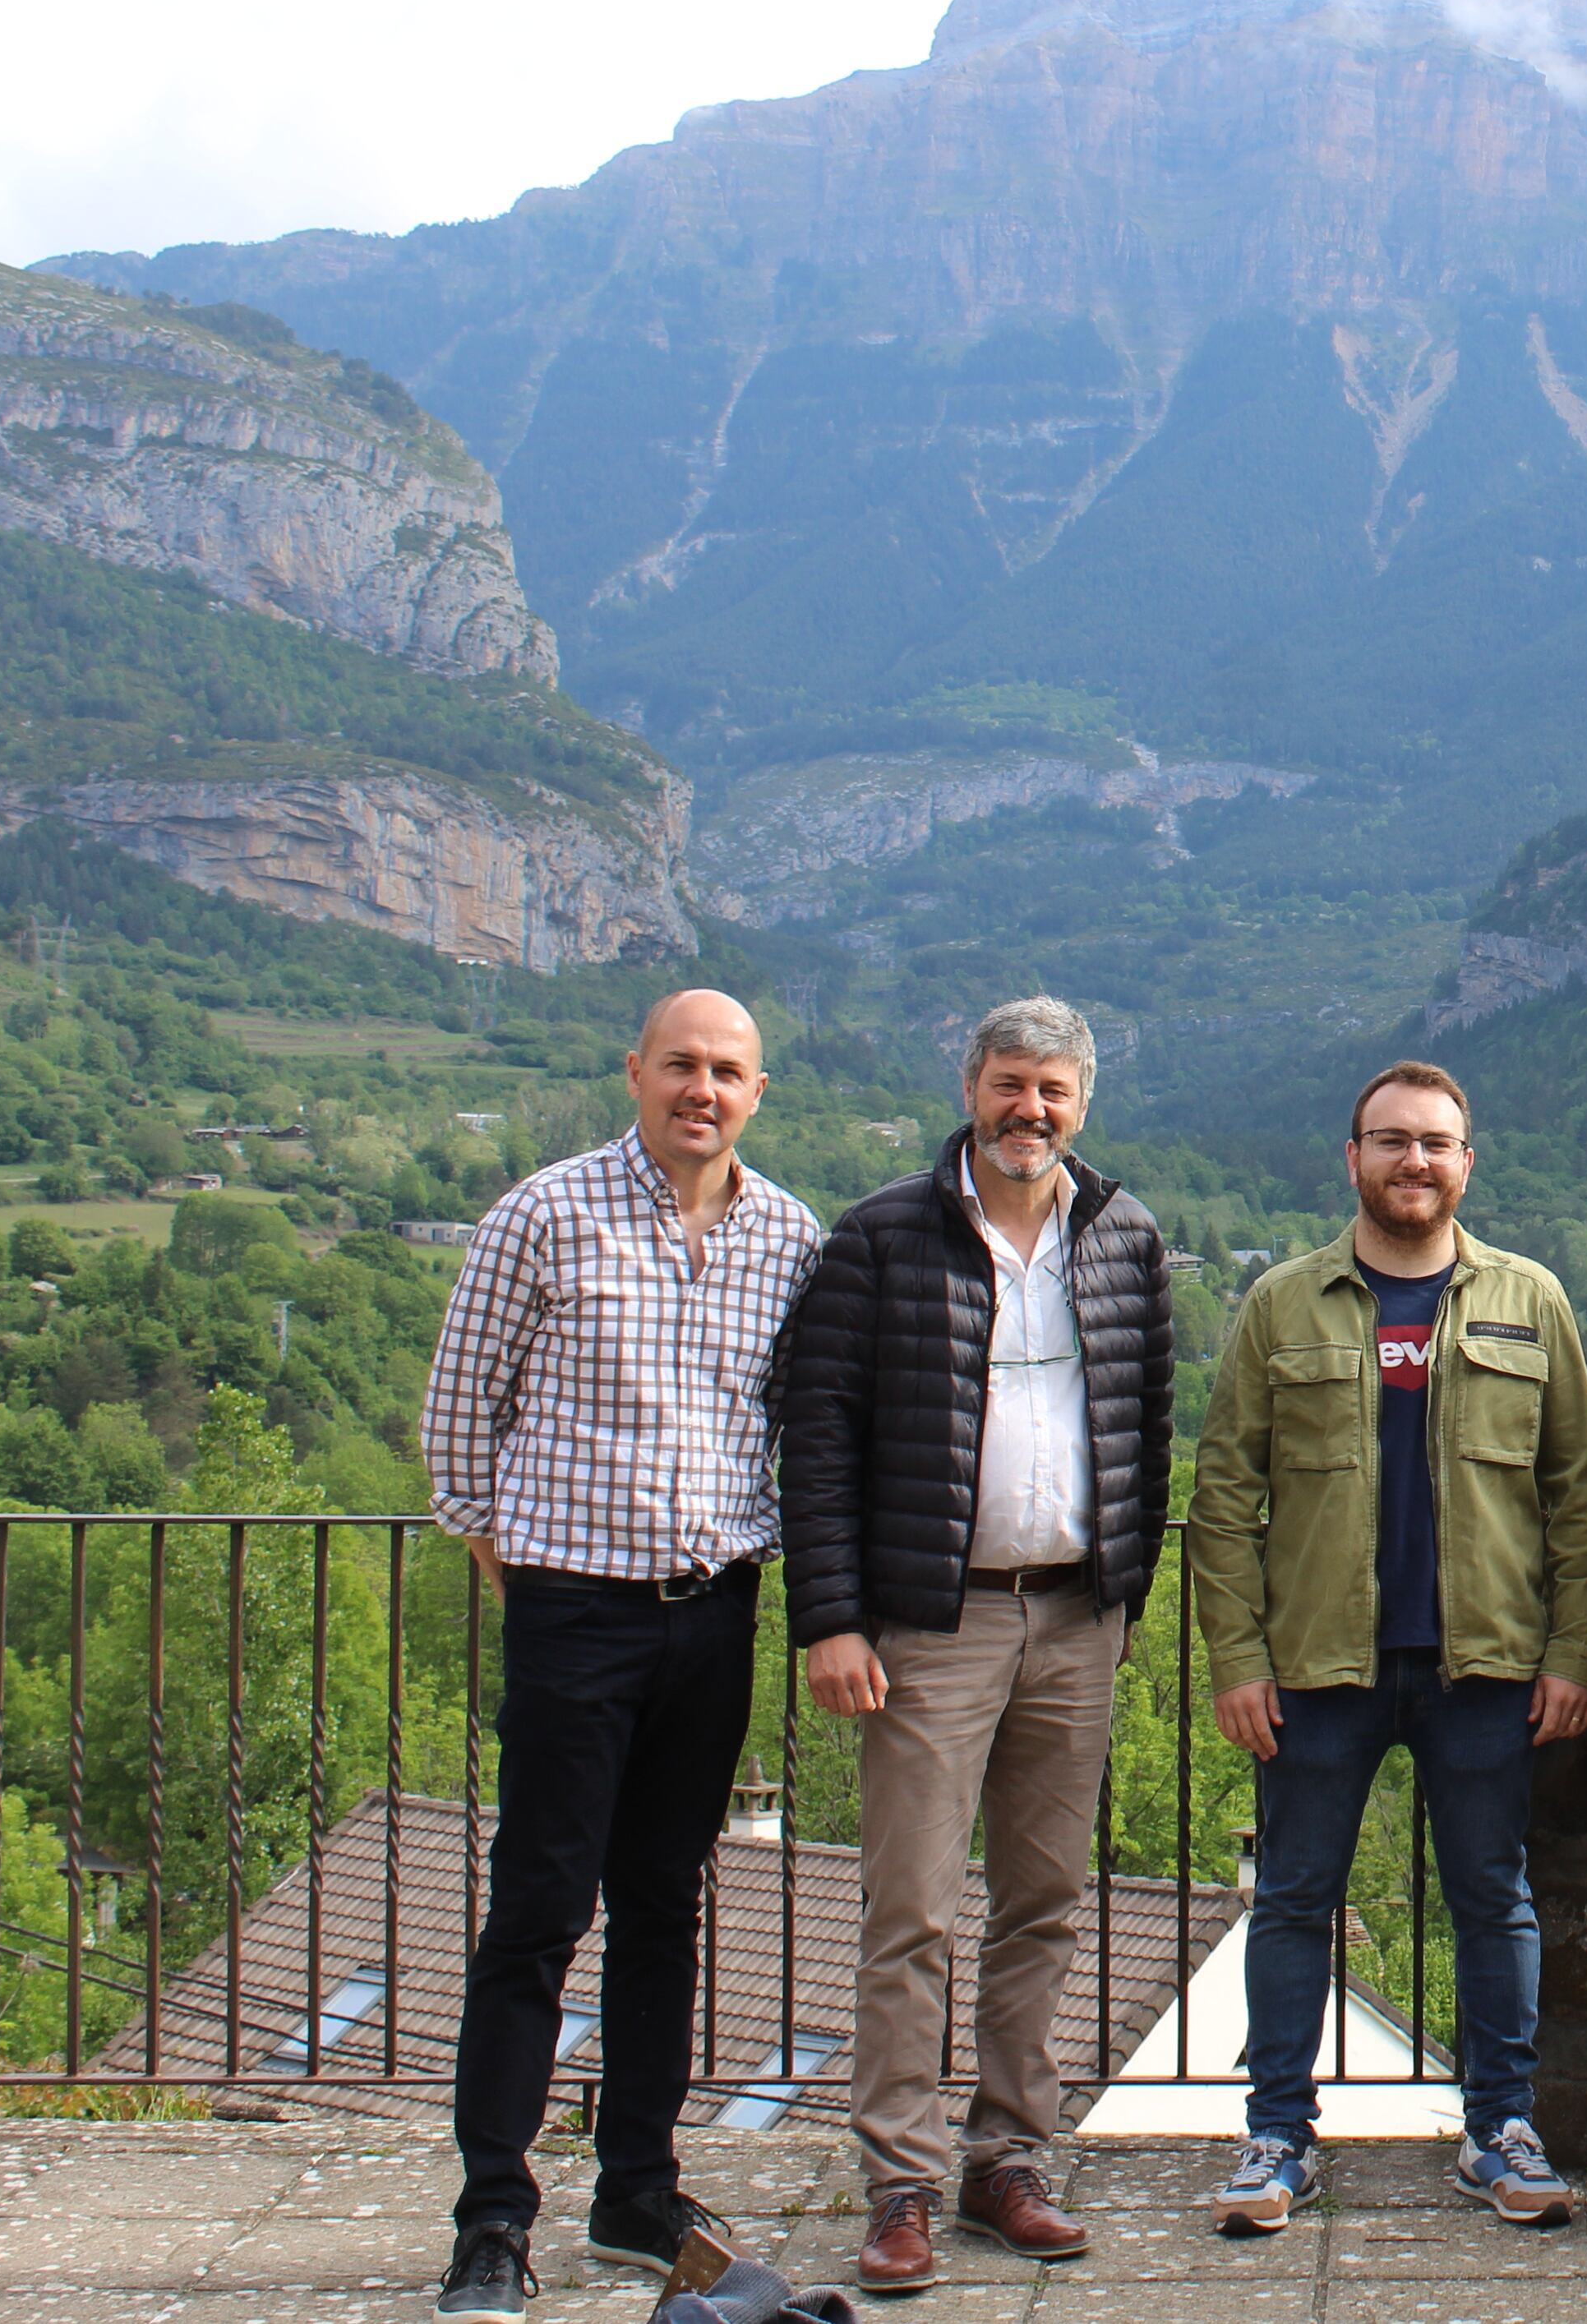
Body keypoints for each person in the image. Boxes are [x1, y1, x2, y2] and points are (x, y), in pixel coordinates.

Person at [418, 991, 824, 2323]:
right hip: (575, 1609)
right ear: (634, 1073)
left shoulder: (789, 1236)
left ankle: (636, 2185)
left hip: (716, 1608)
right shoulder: (543, 1212)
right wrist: (512, 1560)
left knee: (666, 1899)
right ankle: (492, 2217)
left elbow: (797, 1420)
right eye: (681, 1066)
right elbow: (458, 1412)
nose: (701, 1089)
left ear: (757, 1090)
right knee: (537, 1906)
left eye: (727, 1070)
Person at [772, 998, 1174, 2292]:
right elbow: (818, 1432)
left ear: (1083, 1102)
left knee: (1048, 1903)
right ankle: (899, 2180)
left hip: (1076, 1613)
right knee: (913, 1910)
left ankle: (1007, 2160)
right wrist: (832, 1616)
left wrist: (1127, 1601)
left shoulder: (1124, 1236)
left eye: (1054, 1091)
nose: (1031, 1111)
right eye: (1011, 1085)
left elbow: (1150, 1428)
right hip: (929, 1625)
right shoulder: (882, 1235)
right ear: (970, 1084)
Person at [1187, 1060, 1587, 2237]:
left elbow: (1583, 1496)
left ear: (1467, 1162)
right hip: (1319, 1670)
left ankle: (1501, 2129)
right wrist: (1236, 1658)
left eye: (1436, 1142)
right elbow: (1224, 1496)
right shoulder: (1281, 1303)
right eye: (1392, 1140)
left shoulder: (1533, 1302)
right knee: (1292, 1900)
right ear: (1354, 1158)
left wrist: (1573, 1650)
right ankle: (1276, 2136)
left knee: (1494, 1897)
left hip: (1487, 1666)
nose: (1414, 1160)